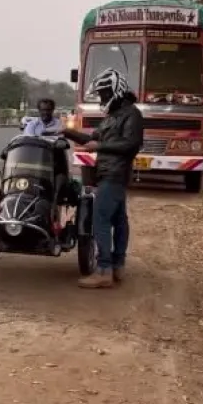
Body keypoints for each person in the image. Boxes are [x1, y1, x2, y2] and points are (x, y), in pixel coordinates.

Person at [64, 68, 144, 288]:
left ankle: (104, 270)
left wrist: (99, 146)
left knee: (100, 220)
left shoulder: (132, 114)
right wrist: (65, 132)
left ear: (115, 91)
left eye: (104, 93)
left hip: (115, 174)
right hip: (108, 173)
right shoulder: (113, 116)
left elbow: (131, 145)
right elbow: (90, 138)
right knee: (119, 220)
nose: (102, 98)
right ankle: (117, 266)